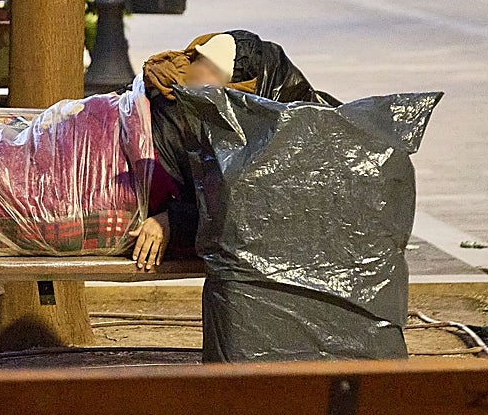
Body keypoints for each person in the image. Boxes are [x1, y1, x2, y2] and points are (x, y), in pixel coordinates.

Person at [130, 30, 335, 272]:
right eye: (200, 61)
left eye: (213, 71)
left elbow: (252, 212)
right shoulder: (168, 91)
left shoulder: (290, 137)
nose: (198, 73)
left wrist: (174, 221)